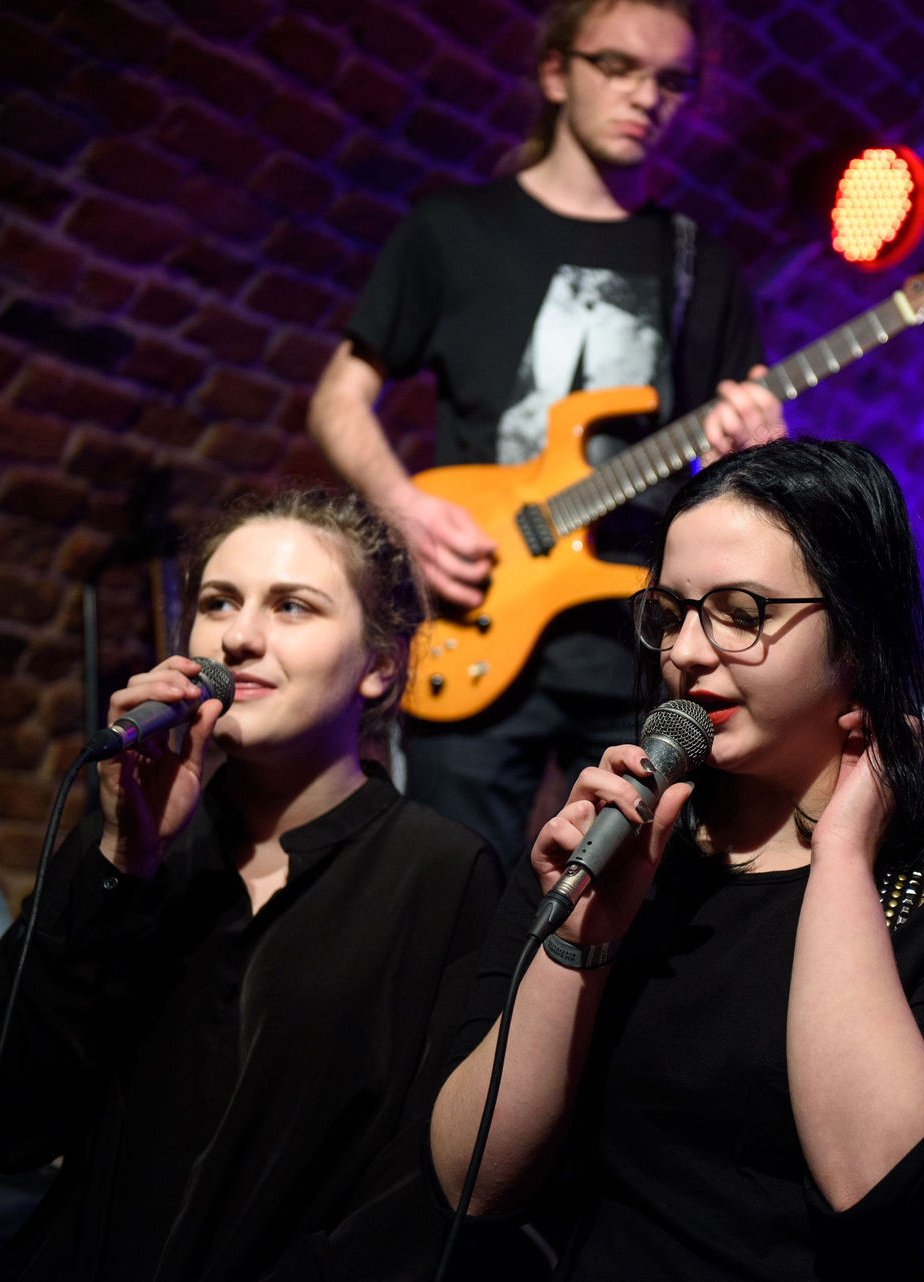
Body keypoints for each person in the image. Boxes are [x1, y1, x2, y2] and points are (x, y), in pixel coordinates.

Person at [429, 438, 924, 1279]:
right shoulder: (604, 852)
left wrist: (840, 853)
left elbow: (873, 1179)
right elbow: (472, 1183)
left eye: (741, 612)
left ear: (857, 633)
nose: (687, 651)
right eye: (671, 613)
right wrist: (578, 945)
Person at [0, 489, 503, 1281]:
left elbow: (416, 1198)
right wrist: (117, 862)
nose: (238, 637)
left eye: (292, 606)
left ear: (380, 665)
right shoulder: (133, 840)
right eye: (218, 603)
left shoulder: (440, 872)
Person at [308, 0, 784, 869]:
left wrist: (747, 455)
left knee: (638, 900)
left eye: (672, 81)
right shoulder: (453, 231)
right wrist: (405, 509)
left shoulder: (703, 266)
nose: (646, 97)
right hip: (476, 621)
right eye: (619, 67)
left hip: (638, 643)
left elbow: (738, 472)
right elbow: (339, 397)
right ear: (557, 71)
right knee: (451, 892)